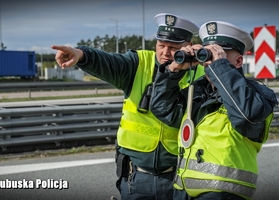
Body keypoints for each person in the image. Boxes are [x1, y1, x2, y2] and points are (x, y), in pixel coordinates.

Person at [51, 13, 205, 200]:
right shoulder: (138, 63)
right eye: (161, 45)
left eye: (173, 48)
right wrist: (81, 54)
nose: (165, 52)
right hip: (136, 178)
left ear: (188, 45)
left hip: (180, 177)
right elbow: (108, 62)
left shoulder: (202, 73)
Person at [149, 21, 278, 200]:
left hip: (224, 193)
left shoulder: (257, 95)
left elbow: (247, 116)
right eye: (206, 53)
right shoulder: (199, 92)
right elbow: (162, 108)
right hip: (183, 191)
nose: (209, 61)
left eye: (218, 55)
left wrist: (220, 67)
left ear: (239, 60)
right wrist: (173, 71)